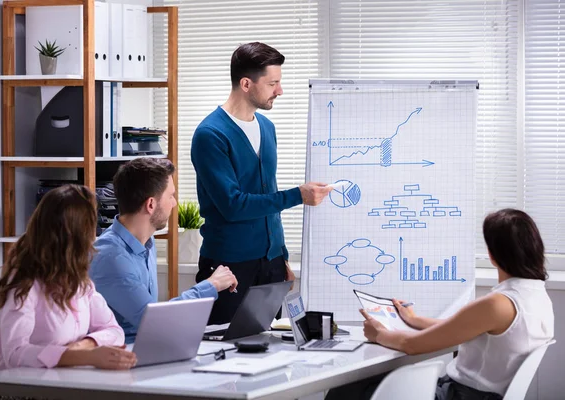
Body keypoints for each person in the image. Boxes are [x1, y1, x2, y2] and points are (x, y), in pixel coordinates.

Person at [328, 208, 554, 400]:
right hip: (481, 394)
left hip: (460, 395)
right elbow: (460, 328)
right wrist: (414, 319)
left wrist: (378, 334)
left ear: (493, 255)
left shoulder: (497, 304)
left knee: (347, 388)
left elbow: (411, 345)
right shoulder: (535, 296)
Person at [191, 42, 332, 324]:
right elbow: (233, 205)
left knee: (266, 351)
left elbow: (266, 196)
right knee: (223, 353)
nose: (279, 90)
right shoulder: (210, 135)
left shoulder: (267, 128)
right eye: (273, 83)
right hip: (228, 268)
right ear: (246, 83)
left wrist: (281, 256)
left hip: (269, 265)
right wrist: (298, 195)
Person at [90, 158, 238, 343]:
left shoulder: (146, 241)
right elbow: (153, 320)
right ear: (151, 204)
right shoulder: (111, 257)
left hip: (151, 348)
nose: (174, 203)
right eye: (171, 196)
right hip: (122, 357)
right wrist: (211, 285)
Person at [0, 184, 136, 371]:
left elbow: (114, 331)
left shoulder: (79, 281)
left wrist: (84, 346)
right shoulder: (24, 282)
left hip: (62, 383)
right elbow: (15, 353)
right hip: (18, 389)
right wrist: (82, 357)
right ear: (76, 235)